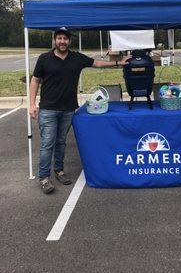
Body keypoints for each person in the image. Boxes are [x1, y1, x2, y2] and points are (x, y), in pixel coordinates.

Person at [30, 27, 129, 194]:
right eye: (59, 38)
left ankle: (59, 170)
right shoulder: (44, 58)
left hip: (68, 109)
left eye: (65, 39)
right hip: (48, 109)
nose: (62, 41)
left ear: (69, 41)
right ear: (55, 40)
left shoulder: (76, 58)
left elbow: (97, 63)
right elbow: (35, 81)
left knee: (61, 141)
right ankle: (44, 177)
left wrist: (119, 63)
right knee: (47, 144)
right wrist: (32, 104)